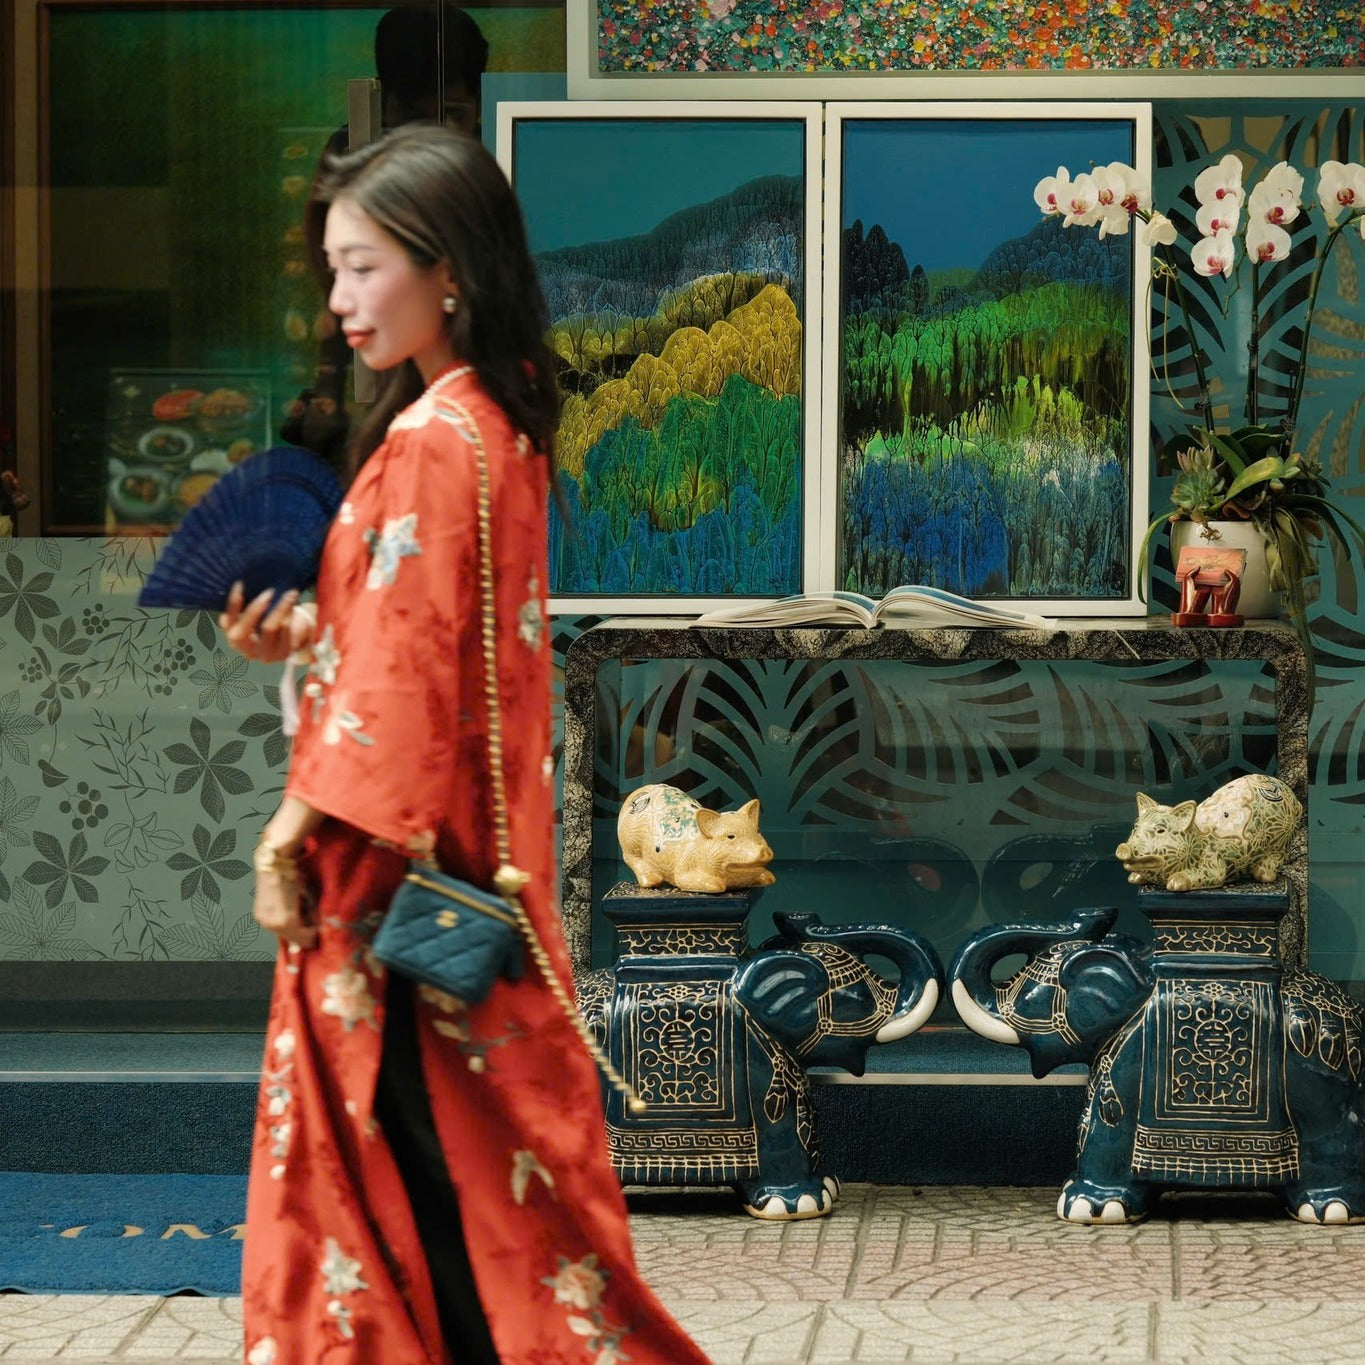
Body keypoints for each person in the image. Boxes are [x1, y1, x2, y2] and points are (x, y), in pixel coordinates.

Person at [221, 124, 711, 1364]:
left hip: (395, 876)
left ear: (449, 271)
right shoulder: (496, 422)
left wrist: (287, 829)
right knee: (481, 1194)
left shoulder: (434, 442)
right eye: (333, 272)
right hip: (461, 861)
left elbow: (401, 677)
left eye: (363, 268)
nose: (339, 301)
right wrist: (304, 639)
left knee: (422, 1192)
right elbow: (422, 642)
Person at [281, 3, 489, 469]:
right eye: (409, 118)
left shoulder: (494, 154)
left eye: (451, 116)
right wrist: (330, 392)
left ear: (480, 105)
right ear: (381, 103)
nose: (427, 142)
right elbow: (335, 291)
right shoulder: (351, 154)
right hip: (384, 383)